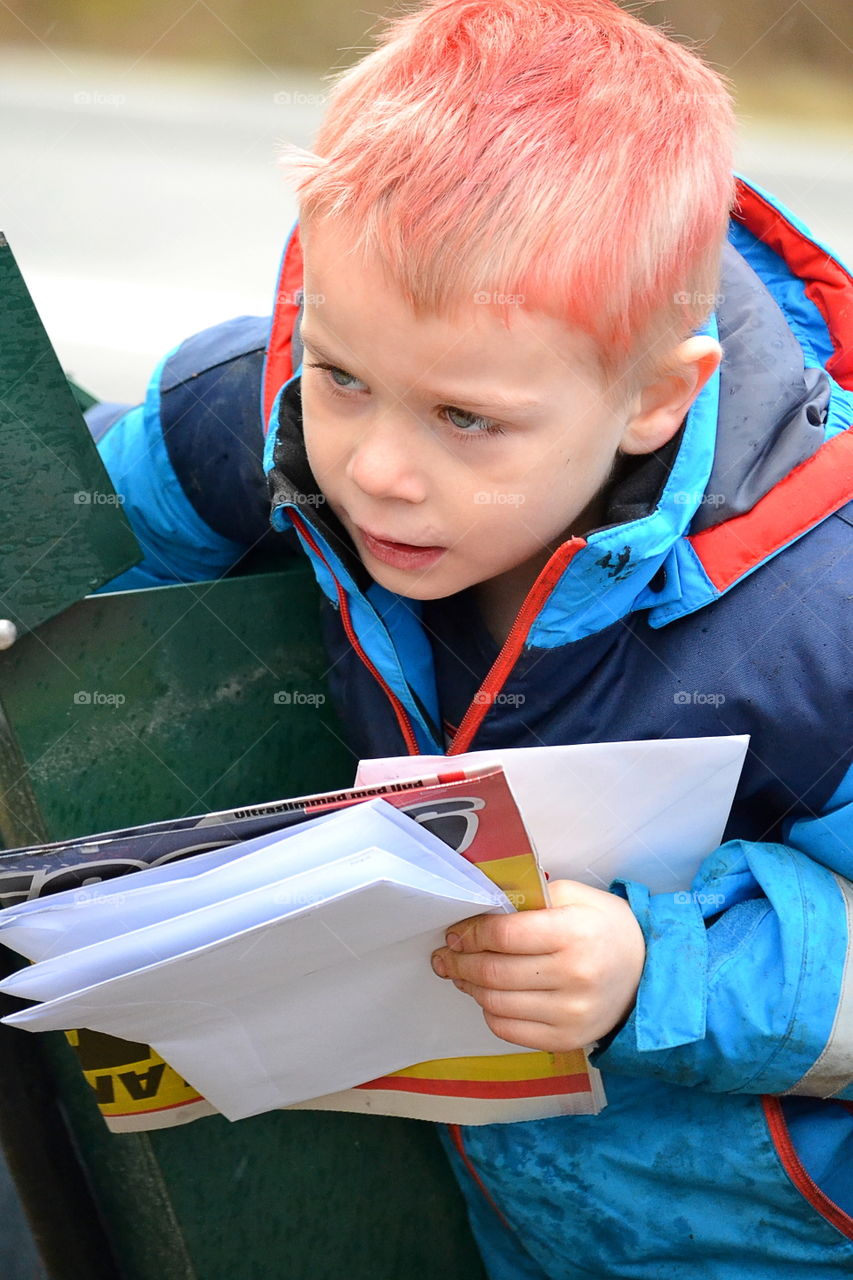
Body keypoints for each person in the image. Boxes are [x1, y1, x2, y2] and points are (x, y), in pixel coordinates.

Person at [87, 0, 853, 1274]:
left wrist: (654, 971)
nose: (376, 468)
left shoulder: (816, 619)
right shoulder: (274, 407)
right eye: (344, 376)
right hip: (472, 1207)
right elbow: (105, 505)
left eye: (466, 419)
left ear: (658, 397)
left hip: (756, 1237)